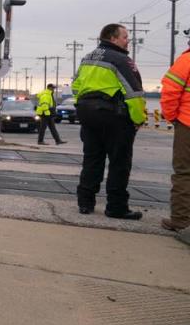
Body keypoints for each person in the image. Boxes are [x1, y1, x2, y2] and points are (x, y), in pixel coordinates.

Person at [73, 24, 146, 220]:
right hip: (114, 116)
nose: (127, 40)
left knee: (92, 159)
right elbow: (134, 93)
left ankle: (85, 203)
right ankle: (116, 207)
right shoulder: (122, 60)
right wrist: (139, 119)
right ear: (113, 38)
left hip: (87, 113)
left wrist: (83, 105)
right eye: (124, 37)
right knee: (119, 162)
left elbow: (75, 86)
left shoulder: (88, 57)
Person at [160, 34, 190, 233]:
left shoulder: (186, 61)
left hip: (187, 123)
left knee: (184, 172)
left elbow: (170, 92)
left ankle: (181, 220)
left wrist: (173, 118)